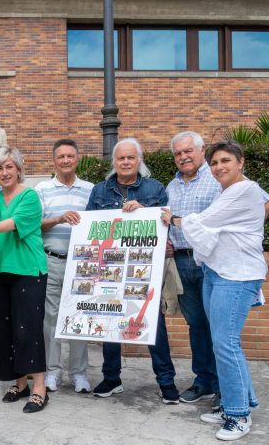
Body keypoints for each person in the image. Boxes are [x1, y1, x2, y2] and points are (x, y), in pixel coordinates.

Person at [161, 140, 267, 441]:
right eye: (216, 162)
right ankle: (238, 404)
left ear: (241, 162)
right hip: (216, 271)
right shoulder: (227, 190)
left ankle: (238, 415)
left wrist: (174, 219)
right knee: (225, 342)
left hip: (236, 276)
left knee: (225, 343)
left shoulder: (245, 190)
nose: (220, 167)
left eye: (225, 161)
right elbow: (208, 228)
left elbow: (203, 221)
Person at [84, 138, 180, 404]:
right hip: (109, 270)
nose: (125, 162)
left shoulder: (155, 188)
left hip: (143, 270)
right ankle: (111, 378)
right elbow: (91, 229)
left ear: (139, 160)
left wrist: (143, 212)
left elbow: (164, 224)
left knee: (153, 324)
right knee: (109, 322)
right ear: (113, 162)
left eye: (130, 158)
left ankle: (166, 381)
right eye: (120, 158)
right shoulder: (99, 191)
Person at [0, 146, 49, 414]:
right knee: (5, 330)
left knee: (29, 329)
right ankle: (20, 384)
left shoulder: (29, 196)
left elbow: (14, 223)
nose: (4, 172)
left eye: (9, 167)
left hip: (27, 270)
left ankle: (39, 387)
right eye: (0, 168)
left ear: (18, 169)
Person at [34, 139, 93, 394]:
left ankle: (79, 374)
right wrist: (58, 218)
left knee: (79, 317)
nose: (66, 160)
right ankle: (52, 372)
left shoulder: (90, 189)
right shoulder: (42, 189)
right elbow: (34, 225)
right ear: (54, 160)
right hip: (52, 260)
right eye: (61, 156)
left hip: (83, 264)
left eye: (70, 155)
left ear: (77, 158)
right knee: (50, 318)